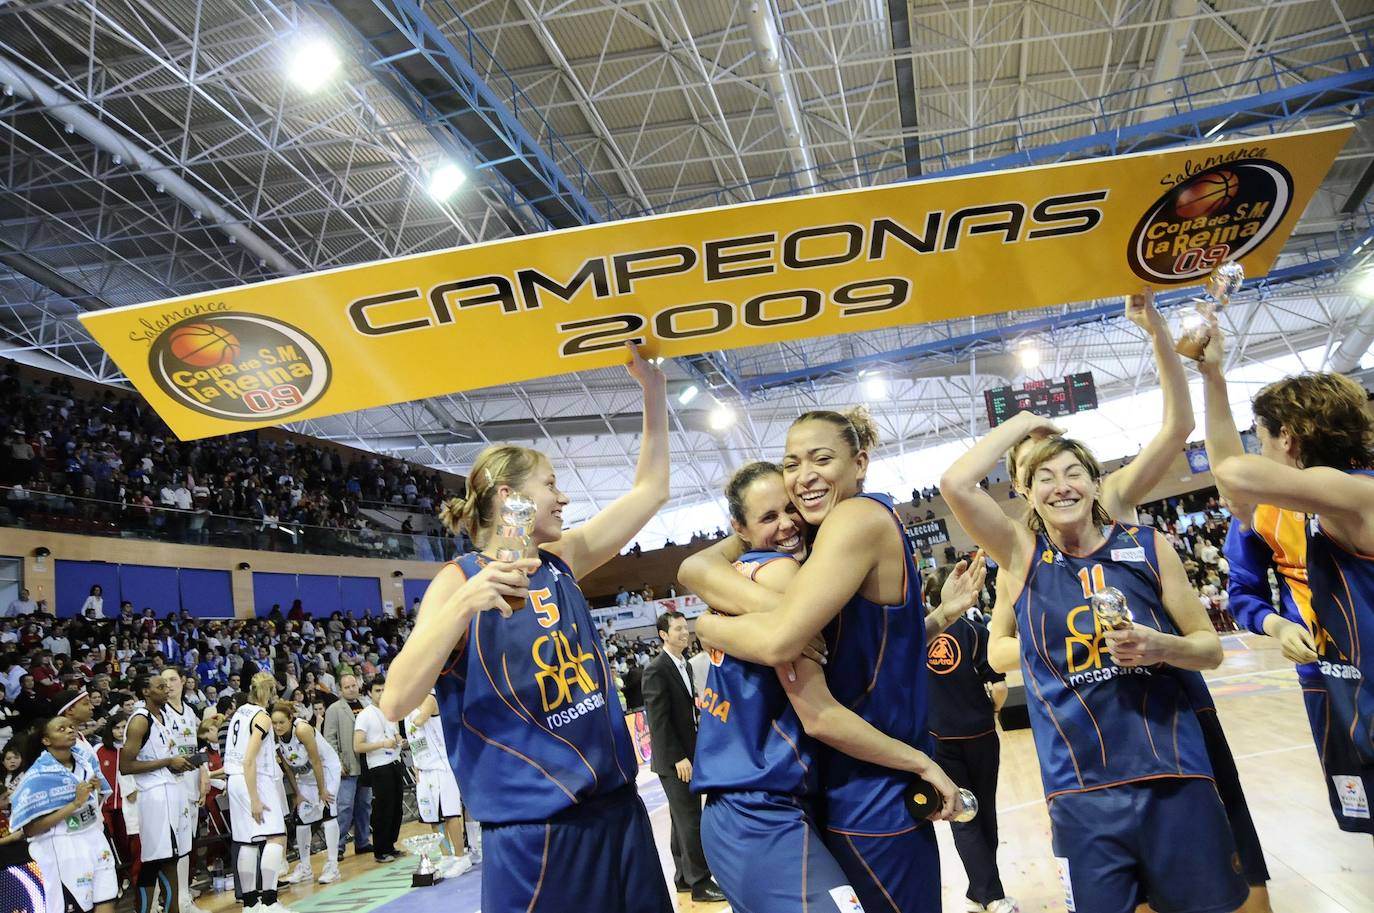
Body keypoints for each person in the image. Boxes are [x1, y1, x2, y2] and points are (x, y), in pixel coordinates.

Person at [999, 295, 1273, 911]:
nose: (1053, 478)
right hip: (1086, 747)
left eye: (1061, 463)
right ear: (1022, 485)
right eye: (1035, 470)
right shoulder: (1020, 555)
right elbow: (999, 644)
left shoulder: (1113, 507)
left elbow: (1177, 428)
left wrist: (1154, 332)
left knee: (1226, 858)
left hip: (1166, 705)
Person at [380, 343, 672, 913]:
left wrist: (653, 392)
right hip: (539, 833)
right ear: (511, 499)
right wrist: (464, 606)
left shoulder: (563, 558)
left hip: (617, 809)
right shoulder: (457, 580)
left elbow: (651, 492)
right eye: (550, 484)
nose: (563, 497)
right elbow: (395, 700)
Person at [941, 413, 1245, 913]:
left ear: (1095, 482)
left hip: (1172, 773)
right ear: (1027, 494)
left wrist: (1161, 646)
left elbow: (1208, 648)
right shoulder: (1020, 553)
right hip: (1079, 789)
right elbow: (955, 483)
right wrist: (1023, 421)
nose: (1062, 487)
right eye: (1045, 478)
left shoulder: (1148, 546)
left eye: (1073, 472)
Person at [681, 408, 961, 913]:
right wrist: (709, 627)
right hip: (818, 790)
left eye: (820, 459)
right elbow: (783, 645)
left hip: (833, 785)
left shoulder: (834, 536)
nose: (802, 482)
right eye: (793, 464)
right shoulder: (798, 555)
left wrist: (938, 619)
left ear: (860, 462)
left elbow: (863, 648)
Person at [1203, 362, 1374, 843]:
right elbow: (1233, 483)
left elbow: (1230, 471)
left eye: (1260, 437)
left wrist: (1213, 373)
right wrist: (1277, 625)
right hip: (1340, 681)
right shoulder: (1324, 499)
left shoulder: (1354, 493)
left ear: (1288, 438)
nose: (1258, 450)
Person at [922, 567, 1014, 913]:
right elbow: (1001, 687)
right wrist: (989, 708)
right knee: (982, 813)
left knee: (964, 816)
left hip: (938, 739)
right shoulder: (977, 633)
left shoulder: (919, 638)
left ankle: (980, 893)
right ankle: (991, 896)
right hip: (980, 735)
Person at [641, 612, 723, 903]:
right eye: (677, 629)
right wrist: (678, 757)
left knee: (680, 819)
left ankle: (683, 879)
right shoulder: (656, 669)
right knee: (690, 820)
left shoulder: (684, 665)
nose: (684, 633)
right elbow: (658, 720)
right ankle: (701, 883)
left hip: (688, 754)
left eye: (684, 628)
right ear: (663, 635)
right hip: (675, 760)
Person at [11, 717, 116, 913]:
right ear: (46, 741)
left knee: (106, 902)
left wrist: (96, 793)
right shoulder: (37, 776)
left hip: (94, 839)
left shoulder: (86, 762)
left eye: (71, 727)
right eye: (61, 729)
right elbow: (30, 828)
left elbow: (95, 804)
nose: (70, 730)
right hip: (62, 848)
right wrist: (74, 804)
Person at [121, 673, 194, 913]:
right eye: (160, 686)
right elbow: (126, 766)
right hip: (155, 797)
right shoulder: (140, 720)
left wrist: (180, 762)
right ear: (146, 692)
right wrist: (168, 762)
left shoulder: (163, 716)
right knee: (157, 862)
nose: (167, 690)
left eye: (168, 685)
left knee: (171, 859)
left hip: (172, 791)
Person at [223, 672, 293, 913]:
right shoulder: (261, 717)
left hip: (233, 780)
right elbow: (249, 759)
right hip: (254, 780)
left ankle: (251, 904)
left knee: (247, 842)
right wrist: (255, 798)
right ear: (270, 692)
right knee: (275, 836)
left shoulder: (239, 712)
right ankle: (270, 901)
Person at [270, 701, 341, 885]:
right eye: (274, 722)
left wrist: (322, 790)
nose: (277, 726)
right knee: (302, 819)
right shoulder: (274, 736)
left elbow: (316, 761)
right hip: (304, 775)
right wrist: (298, 793)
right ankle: (305, 867)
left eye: (281, 722)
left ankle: (333, 866)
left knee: (327, 813)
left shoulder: (302, 730)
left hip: (325, 770)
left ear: (290, 719)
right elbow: (286, 765)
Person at [403, 690, 473, 879]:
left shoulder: (429, 698)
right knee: (433, 818)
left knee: (450, 814)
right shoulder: (406, 710)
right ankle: (446, 855)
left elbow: (421, 719)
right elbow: (414, 741)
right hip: (423, 769)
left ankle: (461, 857)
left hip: (442, 767)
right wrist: (416, 766)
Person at [159, 668, 210, 913]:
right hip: (171, 785)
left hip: (190, 784)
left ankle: (183, 897)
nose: (168, 684)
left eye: (172, 679)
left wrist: (204, 777)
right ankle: (171, 901)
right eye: (164, 680)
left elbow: (196, 750)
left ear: (183, 683)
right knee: (173, 847)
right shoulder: (159, 713)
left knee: (187, 845)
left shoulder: (189, 711)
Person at [352, 678, 402, 863]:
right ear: (370, 693)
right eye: (377, 690)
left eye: (384, 690)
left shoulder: (390, 712)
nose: (381, 694)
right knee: (383, 808)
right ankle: (380, 849)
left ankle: (390, 845)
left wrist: (399, 740)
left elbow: (393, 733)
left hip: (395, 761)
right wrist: (382, 744)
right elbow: (357, 746)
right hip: (379, 765)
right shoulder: (365, 715)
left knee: (397, 807)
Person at [320, 674, 370, 859]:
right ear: (340, 690)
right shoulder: (334, 709)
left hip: (366, 762)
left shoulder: (366, 705)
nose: (351, 689)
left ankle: (362, 841)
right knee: (344, 807)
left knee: (364, 805)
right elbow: (329, 739)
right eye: (347, 687)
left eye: (353, 685)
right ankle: (338, 847)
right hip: (347, 765)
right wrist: (337, 763)